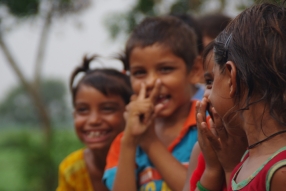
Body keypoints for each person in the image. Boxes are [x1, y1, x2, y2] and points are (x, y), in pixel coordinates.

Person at [103, 16, 202, 191]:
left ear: (194, 71)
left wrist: (149, 142)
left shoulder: (209, 126)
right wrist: (130, 141)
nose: (151, 82)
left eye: (165, 69)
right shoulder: (124, 141)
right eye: (140, 73)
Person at [195, 2, 286, 191]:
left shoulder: (280, 173)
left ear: (230, 77)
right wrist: (229, 168)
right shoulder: (247, 160)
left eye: (212, 80)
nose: (207, 95)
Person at [56, 55, 132, 191]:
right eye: (83, 110)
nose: (94, 120)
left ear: (131, 111)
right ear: (74, 115)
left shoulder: (147, 164)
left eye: (107, 109)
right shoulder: (72, 170)